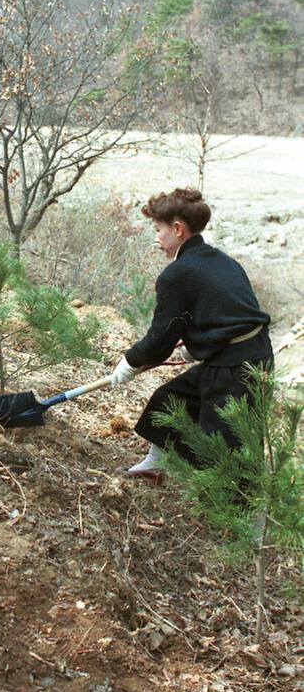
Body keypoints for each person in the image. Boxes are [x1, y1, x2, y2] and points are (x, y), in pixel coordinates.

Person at [110, 187, 273, 480]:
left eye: (158, 229)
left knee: (229, 447)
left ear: (177, 229)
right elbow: (222, 314)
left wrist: (131, 362)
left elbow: (161, 337)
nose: (156, 237)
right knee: (170, 399)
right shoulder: (220, 260)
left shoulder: (178, 273)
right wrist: (198, 344)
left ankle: (244, 519)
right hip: (241, 355)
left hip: (238, 367)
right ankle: (156, 464)